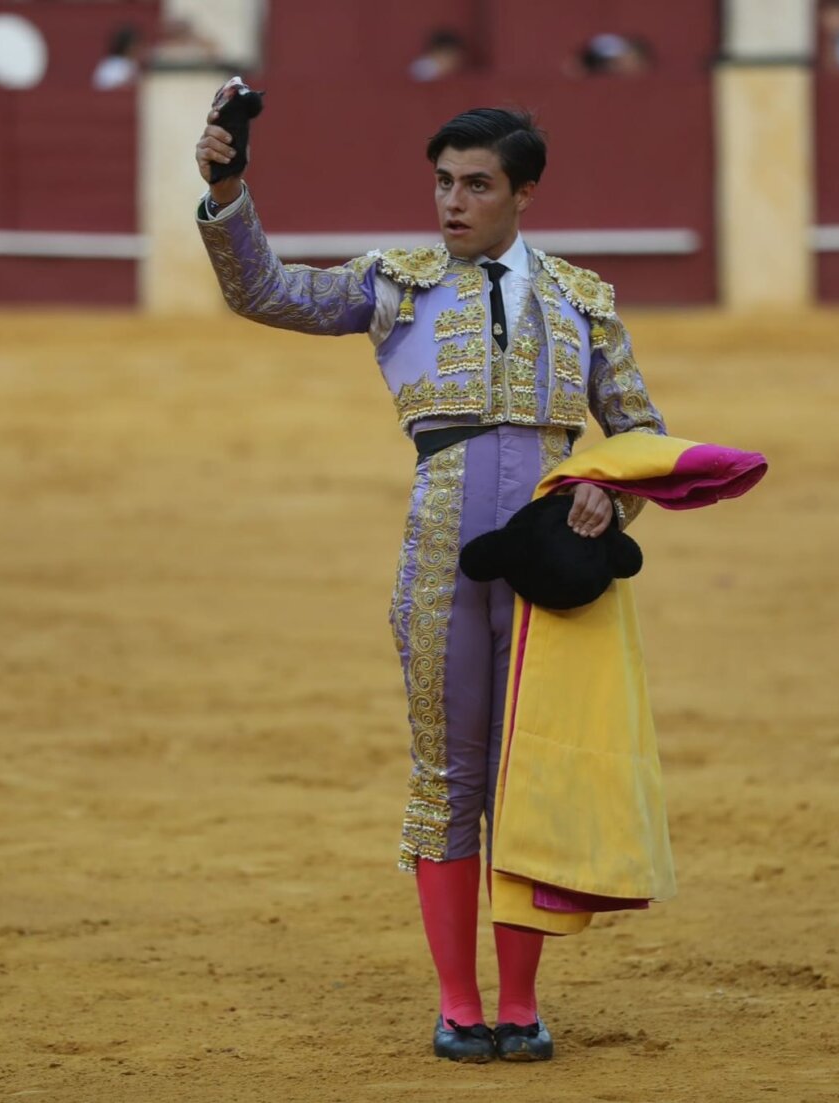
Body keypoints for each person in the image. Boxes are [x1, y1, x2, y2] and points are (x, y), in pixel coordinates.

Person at [194, 96, 666, 1063]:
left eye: (477, 185)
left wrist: (608, 497)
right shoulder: (395, 284)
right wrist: (228, 185)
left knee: (527, 777)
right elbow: (265, 291)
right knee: (448, 775)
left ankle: (521, 1003)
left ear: (524, 193)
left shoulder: (582, 299)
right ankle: (459, 1002)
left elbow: (641, 433)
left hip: (548, 571)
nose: (453, 202)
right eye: (444, 182)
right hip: (440, 560)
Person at [91, 25, 142, 91]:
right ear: (128, 46)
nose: (139, 48)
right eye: (136, 45)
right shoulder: (112, 65)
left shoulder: (132, 63)